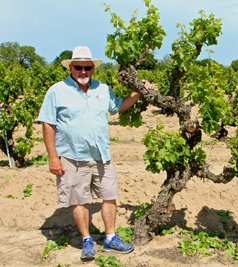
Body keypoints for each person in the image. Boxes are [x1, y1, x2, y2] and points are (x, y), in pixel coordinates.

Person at [38, 46, 154, 260]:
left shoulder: (102, 88)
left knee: (110, 196)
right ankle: (87, 240)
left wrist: (138, 92)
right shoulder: (57, 90)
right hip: (71, 157)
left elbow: (118, 106)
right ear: (71, 68)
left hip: (101, 155)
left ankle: (110, 238)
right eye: (79, 67)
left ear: (93, 69)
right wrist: (53, 157)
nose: (83, 71)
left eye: (87, 67)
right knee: (78, 199)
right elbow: (47, 124)